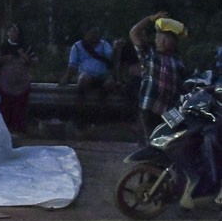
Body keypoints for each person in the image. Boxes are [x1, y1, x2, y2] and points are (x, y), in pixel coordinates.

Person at [129, 12, 187, 142]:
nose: (160, 40)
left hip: (169, 110)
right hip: (150, 106)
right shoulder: (149, 53)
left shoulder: (178, 62)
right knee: (152, 141)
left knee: (179, 137)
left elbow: (181, 87)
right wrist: (150, 18)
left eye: (166, 38)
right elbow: (134, 32)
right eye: (159, 36)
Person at [0, 24, 38, 135]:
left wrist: (23, 56)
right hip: (5, 85)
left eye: (15, 31)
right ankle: (4, 131)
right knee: (5, 108)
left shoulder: (25, 47)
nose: (12, 33)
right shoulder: (2, 47)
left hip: (21, 85)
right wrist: (3, 59)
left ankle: (19, 130)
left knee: (19, 109)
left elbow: (34, 61)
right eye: (11, 31)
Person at [58, 26, 115, 113]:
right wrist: (66, 78)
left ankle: (102, 104)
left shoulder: (104, 45)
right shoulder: (77, 46)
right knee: (83, 79)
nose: (95, 36)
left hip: (103, 77)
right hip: (87, 76)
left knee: (110, 83)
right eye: (92, 33)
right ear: (86, 33)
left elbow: (111, 57)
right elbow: (72, 65)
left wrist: (116, 49)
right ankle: (80, 104)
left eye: (96, 33)